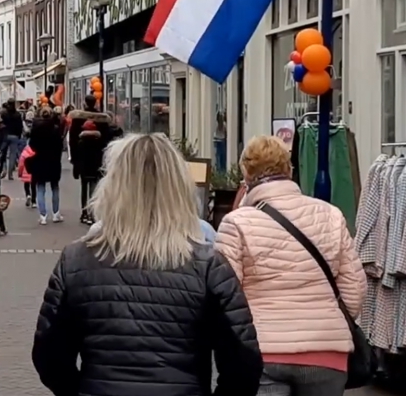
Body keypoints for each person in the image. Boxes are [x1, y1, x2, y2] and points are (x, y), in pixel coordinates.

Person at [32, 133, 263, 396]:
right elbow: (243, 364)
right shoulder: (208, 265)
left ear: (111, 187)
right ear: (179, 188)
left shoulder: (76, 261)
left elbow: (49, 356)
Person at [215, 135, 367, 396]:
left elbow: (225, 297)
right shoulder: (330, 215)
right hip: (327, 353)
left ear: (246, 174)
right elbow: (355, 291)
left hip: (264, 352)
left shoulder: (235, 224)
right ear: (289, 170)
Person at [70, 98, 114, 225]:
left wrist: (74, 160)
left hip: (82, 157)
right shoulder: (102, 119)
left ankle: (84, 212)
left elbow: (72, 140)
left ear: (84, 103)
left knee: (84, 186)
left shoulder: (78, 118)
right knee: (95, 186)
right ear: (95, 103)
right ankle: (93, 212)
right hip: (97, 157)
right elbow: (107, 139)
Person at [27, 107, 65, 225]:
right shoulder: (55, 129)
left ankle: (42, 215)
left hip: (39, 161)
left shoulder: (35, 129)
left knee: (40, 187)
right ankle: (55, 213)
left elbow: (31, 146)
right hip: (53, 161)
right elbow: (60, 147)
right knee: (55, 187)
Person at [1, 99, 25, 179]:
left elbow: (1, 124)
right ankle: (10, 173)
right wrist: (19, 135)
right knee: (12, 155)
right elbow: (20, 126)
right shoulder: (17, 114)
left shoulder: (4, 114)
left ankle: (3, 169)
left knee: (3, 153)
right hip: (14, 136)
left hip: (5, 135)